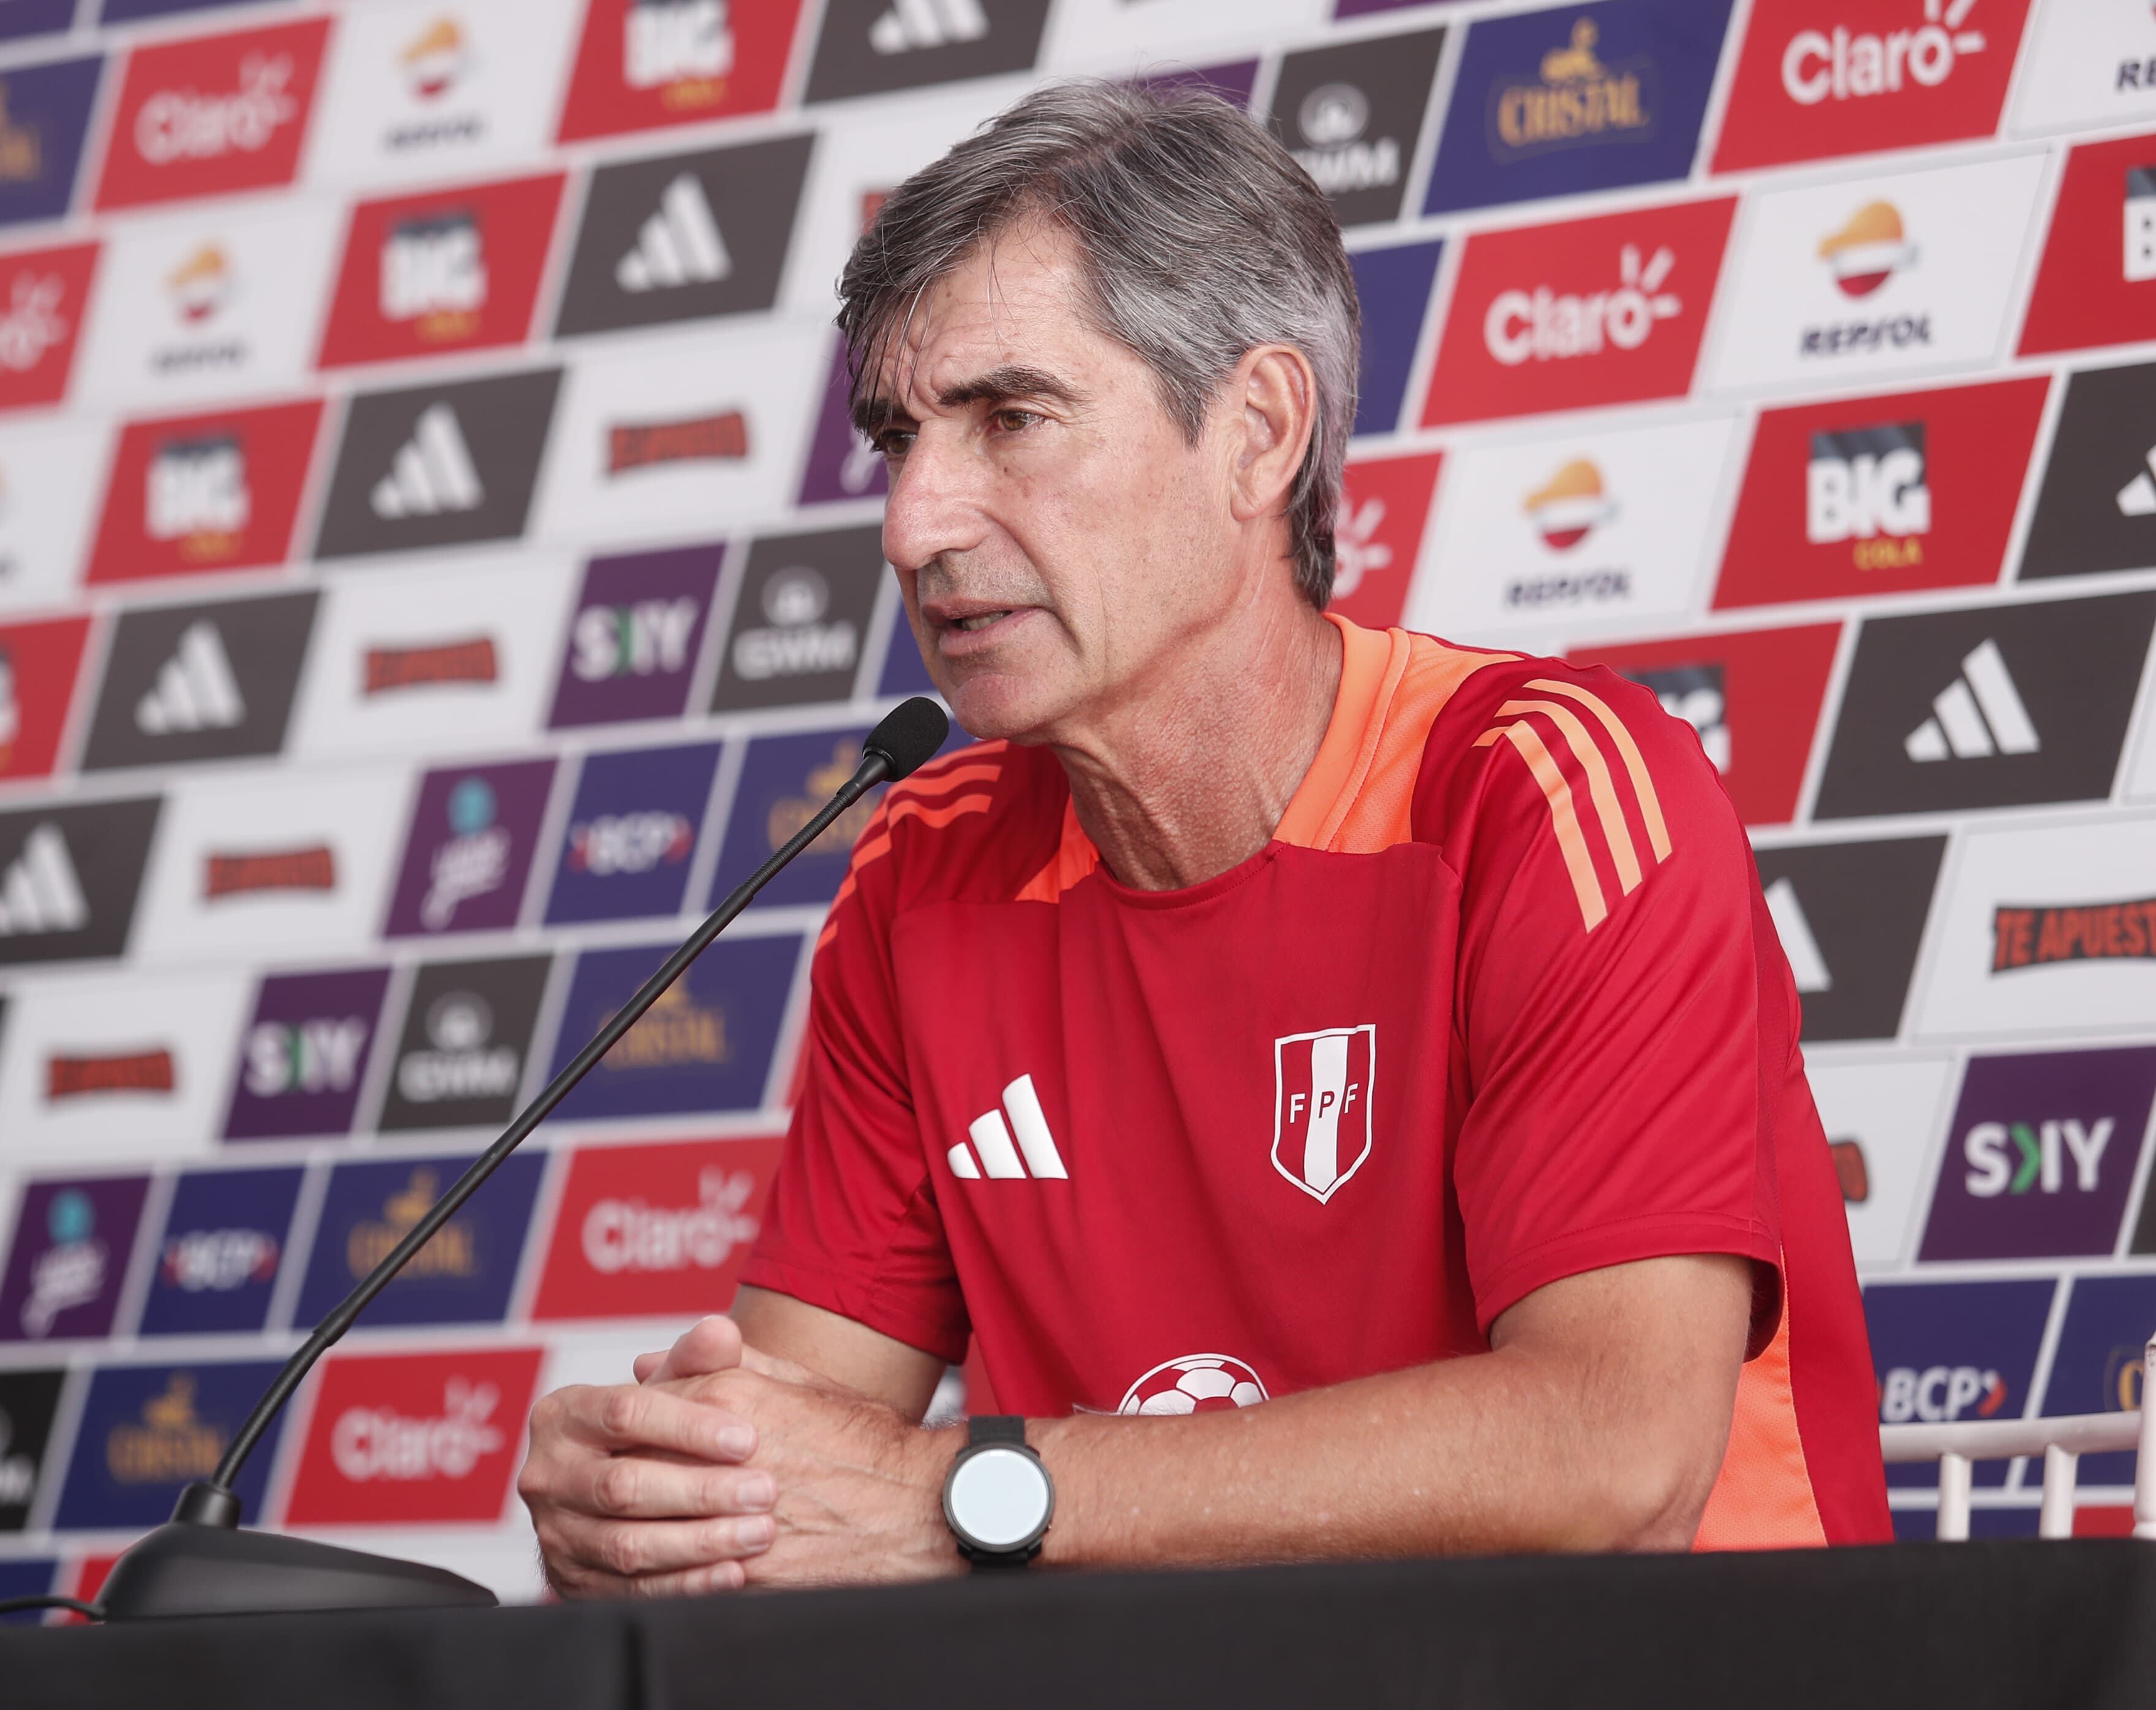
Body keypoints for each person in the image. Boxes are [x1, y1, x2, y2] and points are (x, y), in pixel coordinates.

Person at [519, 79, 1888, 1597]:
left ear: (1256, 433)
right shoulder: (923, 872)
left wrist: (966, 1497)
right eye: (898, 442)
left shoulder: (1546, 795)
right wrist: (664, 1512)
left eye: (1012, 420)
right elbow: (797, 1465)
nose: (914, 525)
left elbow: (1614, 1459)